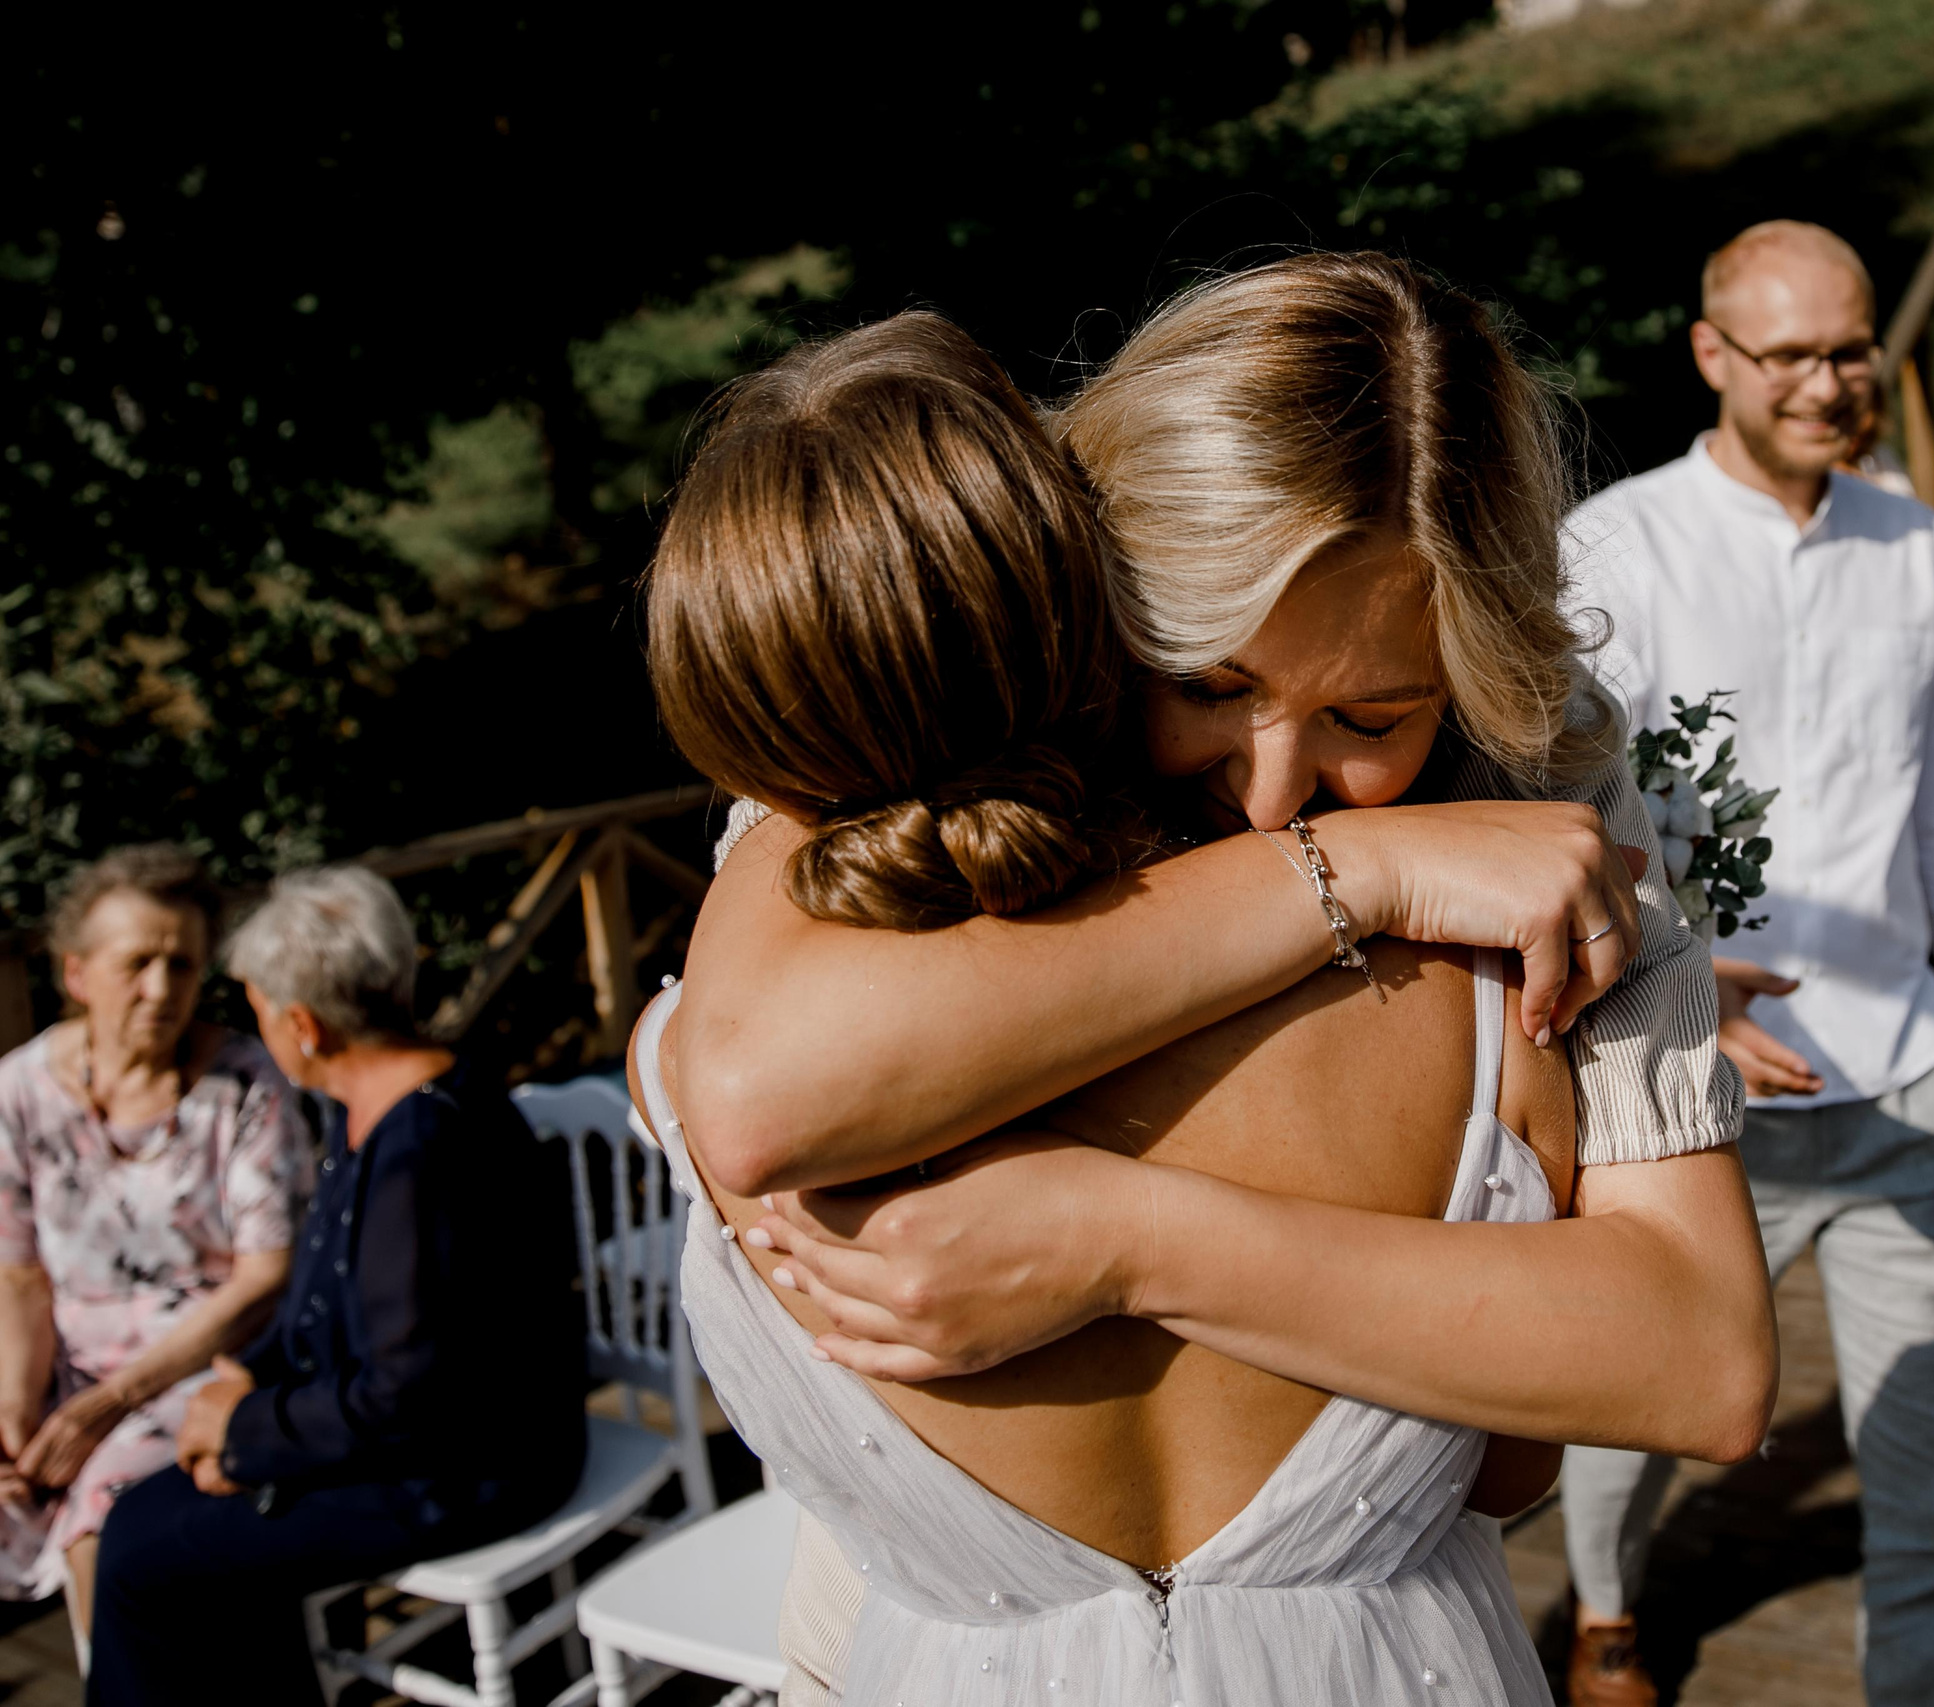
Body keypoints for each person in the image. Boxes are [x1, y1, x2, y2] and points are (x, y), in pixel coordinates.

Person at [659, 254, 1781, 1704]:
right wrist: (1360, 869)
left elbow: (1704, 1360)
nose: (1269, 789)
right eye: (1205, 683)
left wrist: (1125, 1239)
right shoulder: (939, 683)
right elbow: (754, 1094)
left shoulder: (1550, 785)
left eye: (1372, 717)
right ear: (1092, 600)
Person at [1566, 221, 1934, 1707]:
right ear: (1712, 353)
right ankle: (1606, 1604)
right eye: (1791, 355)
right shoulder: (1617, 547)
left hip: (1907, 1071)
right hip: (1689, 1088)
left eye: (1851, 351)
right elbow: (1560, 807)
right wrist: (1675, 974)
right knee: (1632, 1404)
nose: (1828, 384)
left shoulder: (1922, 548)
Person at [86, 866, 589, 1707]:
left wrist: (245, 1432)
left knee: (140, 1554)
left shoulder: (422, 1153)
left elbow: (409, 1397)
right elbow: (326, 1295)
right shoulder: (370, 1108)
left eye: (258, 1008)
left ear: (303, 1025)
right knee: (158, 1522)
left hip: (469, 1463)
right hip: (395, 1431)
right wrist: (247, 1377)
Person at [0, 845, 305, 1652]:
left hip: (202, 1365)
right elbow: (19, 1276)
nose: (162, 988)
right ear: (77, 972)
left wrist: (108, 1403)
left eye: (182, 964)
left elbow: (265, 1276)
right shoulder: (18, 1090)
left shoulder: (245, 1083)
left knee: (107, 1514)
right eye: (137, 962)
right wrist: (14, 1418)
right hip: (66, 1366)